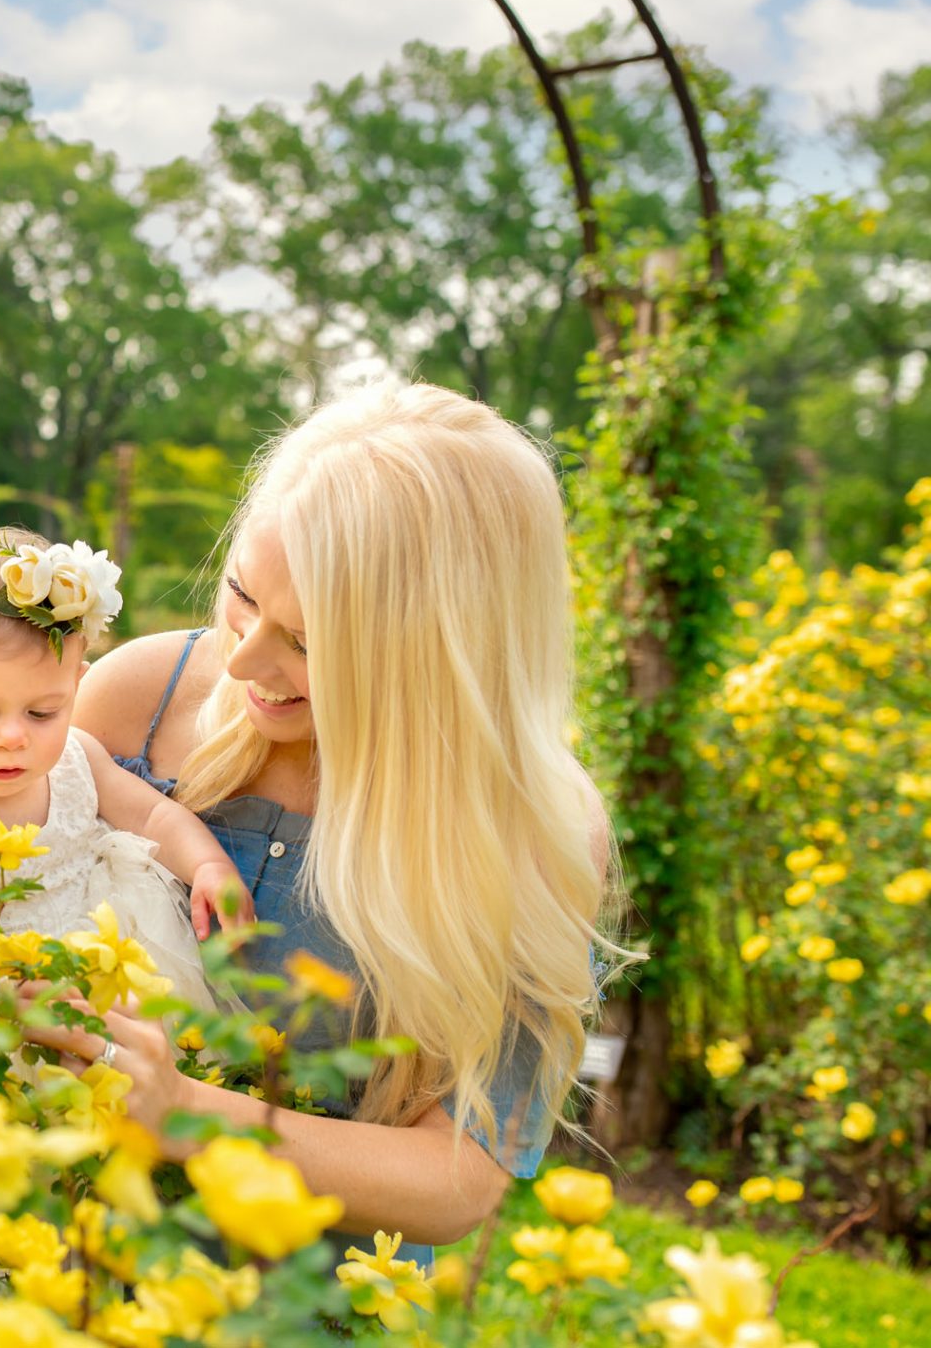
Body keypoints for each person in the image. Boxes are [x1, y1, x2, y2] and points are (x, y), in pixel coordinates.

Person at [35, 382, 618, 1255]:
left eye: (309, 641)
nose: (243, 660)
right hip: (52, 1264)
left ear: (442, 650)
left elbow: (460, 1176)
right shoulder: (136, 700)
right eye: (242, 595)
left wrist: (189, 1110)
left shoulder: (534, 829)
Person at [0, 529, 254, 1012]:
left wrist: (208, 864)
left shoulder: (79, 759)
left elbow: (152, 817)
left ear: (78, 683)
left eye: (43, 712)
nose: (13, 736)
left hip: (110, 978)